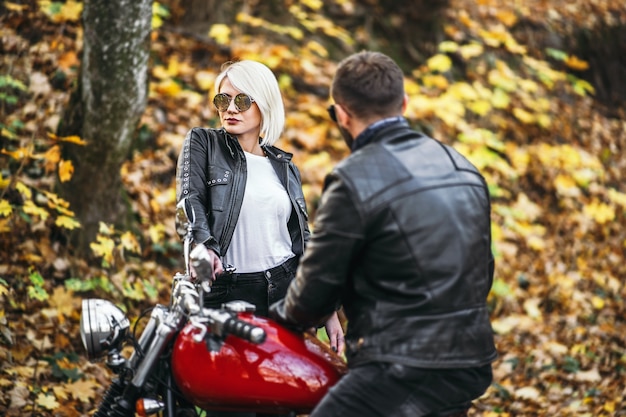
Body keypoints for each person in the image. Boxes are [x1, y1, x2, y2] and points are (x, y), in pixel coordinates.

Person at [269, 51, 497, 417]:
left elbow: (316, 289)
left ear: (342, 115)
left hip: (400, 366)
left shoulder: (353, 178)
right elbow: (481, 272)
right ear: (403, 103)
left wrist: (269, 319)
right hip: (471, 359)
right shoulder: (463, 167)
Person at [175, 60, 344, 417]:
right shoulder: (204, 143)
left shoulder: (284, 166)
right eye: (223, 100)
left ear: (264, 103)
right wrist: (202, 246)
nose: (230, 109)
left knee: (278, 404)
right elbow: (190, 203)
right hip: (230, 295)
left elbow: (302, 241)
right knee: (230, 406)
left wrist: (325, 305)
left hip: (285, 296)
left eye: (242, 100)